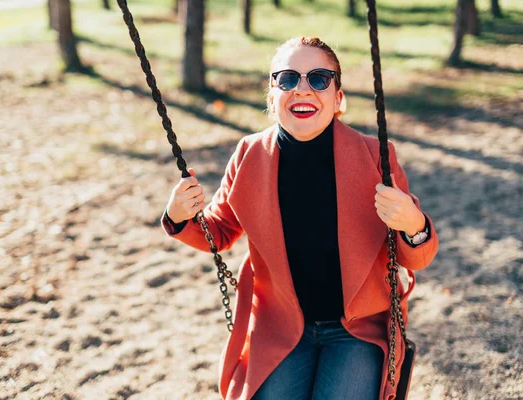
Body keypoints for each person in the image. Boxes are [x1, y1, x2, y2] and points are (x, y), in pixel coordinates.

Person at [161, 36, 439, 400]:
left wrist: (413, 225)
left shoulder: (375, 156)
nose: (302, 89)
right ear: (272, 97)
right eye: (288, 79)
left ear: (338, 98)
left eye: (319, 78)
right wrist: (179, 217)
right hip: (281, 327)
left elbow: (413, 256)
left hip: (356, 329)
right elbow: (219, 231)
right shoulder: (249, 155)